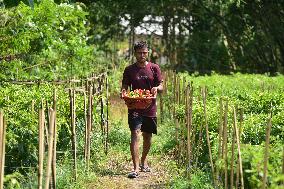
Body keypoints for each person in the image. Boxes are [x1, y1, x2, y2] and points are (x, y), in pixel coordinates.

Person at [121, 41, 163, 178]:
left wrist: (157, 88)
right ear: (135, 53)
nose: (142, 55)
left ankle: (144, 161)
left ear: (148, 53)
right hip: (134, 106)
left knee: (147, 136)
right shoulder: (129, 70)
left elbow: (161, 86)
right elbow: (124, 86)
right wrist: (124, 93)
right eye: (139, 53)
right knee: (135, 133)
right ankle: (135, 168)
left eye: (144, 52)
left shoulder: (154, 68)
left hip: (150, 106)